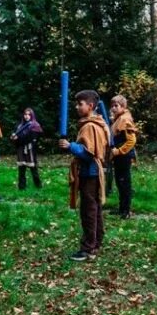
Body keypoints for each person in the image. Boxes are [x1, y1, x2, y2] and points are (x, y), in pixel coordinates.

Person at [59, 90, 110, 261]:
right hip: (93, 172)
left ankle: (89, 248)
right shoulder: (94, 123)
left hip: (90, 173)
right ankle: (95, 242)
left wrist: (70, 146)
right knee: (94, 209)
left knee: (89, 210)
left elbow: (89, 153)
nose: (77, 107)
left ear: (91, 106)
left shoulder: (90, 126)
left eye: (80, 104)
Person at [109, 95, 138, 219]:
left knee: (124, 182)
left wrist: (119, 151)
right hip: (119, 157)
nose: (113, 108)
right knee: (119, 182)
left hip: (124, 156)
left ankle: (126, 211)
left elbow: (132, 141)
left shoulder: (125, 120)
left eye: (116, 106)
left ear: (123, 106)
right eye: (112, 106)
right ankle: (121, 208)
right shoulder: (118, 118)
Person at [11, 107, 43, 190]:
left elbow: (30, 138)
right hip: (21, 149)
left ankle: (38, 186)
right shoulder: (20, 126)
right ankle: (21, 187)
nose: (26, 116)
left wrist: (18, 138)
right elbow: (15, 135)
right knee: (21, 170)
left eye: (29, 114)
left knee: (33, 169)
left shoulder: (35, 126)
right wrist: (14, 138)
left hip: (30, 150)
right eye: (25, 114)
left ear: (32, 115)